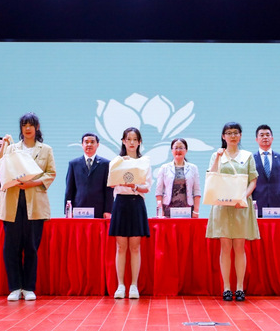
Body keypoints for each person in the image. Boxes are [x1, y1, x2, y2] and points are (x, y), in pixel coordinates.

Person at [0, 113, 56, 302]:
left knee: (31, 247)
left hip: (35, 203)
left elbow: (51, 173)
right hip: (12, 202)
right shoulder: (12, 147)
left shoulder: (45, 149)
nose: (27, 128)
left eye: (31, 125)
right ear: (21, 128)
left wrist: (32, 183)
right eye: (24, 125)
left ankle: (28, 288)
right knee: (11, 247)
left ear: (37, 127)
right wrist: (3, 146)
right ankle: (14, 287)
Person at [206, 122, 259, 302]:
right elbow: (211, 176)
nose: (233, 136)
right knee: (225, 247)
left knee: (239, 247)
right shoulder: (217, 155)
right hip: (222, 206)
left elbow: (253, 180)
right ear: (223, 136)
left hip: (240, 206)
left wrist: (243, 197)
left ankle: (240, 288)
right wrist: (217, 158)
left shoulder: (247, 155)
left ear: (240, 135)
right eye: (229, 133)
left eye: (236, 132)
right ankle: (227, 288)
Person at [108, 127, 152, 299]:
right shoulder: (116, 161)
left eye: (135, 139)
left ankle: (134, 285)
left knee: (135, 247)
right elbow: (111, 183)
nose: (132, 142)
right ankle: (120, 285)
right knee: (120, 247)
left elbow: (146, 187)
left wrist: (134, 186)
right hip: (120, 203)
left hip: (136, 203)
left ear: (139, 142)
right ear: (123, 141)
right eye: (128, 139)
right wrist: (120, 179)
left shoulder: (144, 161)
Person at [65, 133, 113, 218]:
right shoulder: (74, 164)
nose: (89, 144)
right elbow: (69, 189)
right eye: (86, 142)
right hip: (78, 209)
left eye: (92, 142)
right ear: (82, 144)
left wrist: (108, 210)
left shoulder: (106, 164)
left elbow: (108, 190)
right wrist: (68, 210)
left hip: (99, 209)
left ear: (97, 145)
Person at [253, 125, 280, 218]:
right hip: (257, 205)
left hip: (278, 205)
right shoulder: (251, 159)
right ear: (256, 139)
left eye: (267, 135)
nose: (265, 137)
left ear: (272, 138)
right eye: (261, 135)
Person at [155, 138, 201, 218]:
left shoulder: (193, 168)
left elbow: (197, 191)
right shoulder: (164, 168)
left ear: (186, 150)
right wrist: (160, 209)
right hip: (167, 209)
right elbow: (159, 191)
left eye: (181, 148)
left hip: (187, 209)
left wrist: (196, 210)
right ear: (171, 150)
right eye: (176, 148)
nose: (178, 150)